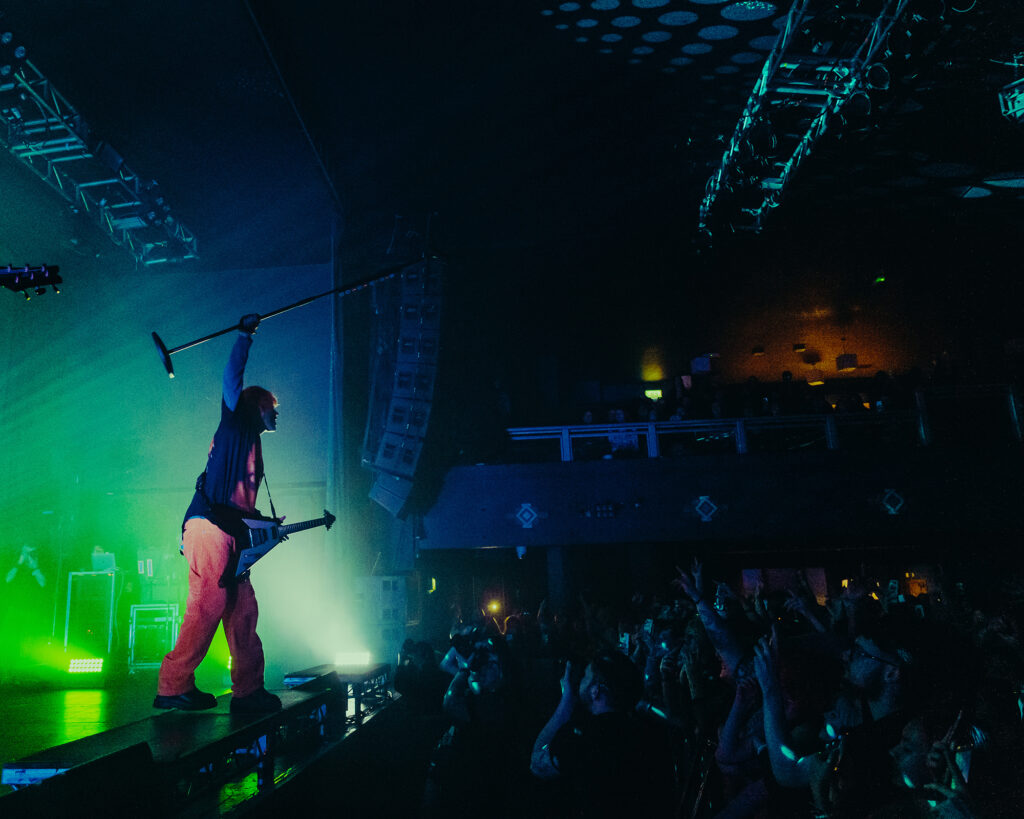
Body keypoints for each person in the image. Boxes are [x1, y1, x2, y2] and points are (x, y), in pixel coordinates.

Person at [154, 313, 282, 713]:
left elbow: (240, 506)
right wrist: (245, 335)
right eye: (271, 407)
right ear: (256, 407)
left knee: (243, 609)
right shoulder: (235, 427)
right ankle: (173, 687)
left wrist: (264, 530)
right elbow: (231, 379)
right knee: (208, 605)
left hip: (227, 531)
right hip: (209, 530)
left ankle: (247, 691)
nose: (276, 413)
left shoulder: (250, 445)